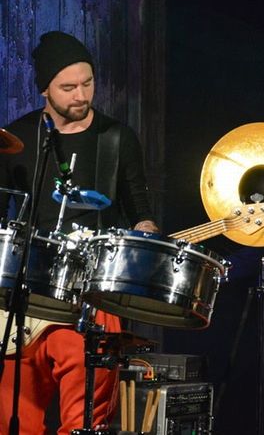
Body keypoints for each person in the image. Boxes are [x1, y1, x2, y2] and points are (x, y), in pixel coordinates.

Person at [0, 31, 159, 434]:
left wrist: (145, 236)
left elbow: (141, 213)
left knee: (83, 421)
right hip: (26, 295)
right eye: (68, 88)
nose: (81, 95)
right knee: (13, 418)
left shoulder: (116, 138)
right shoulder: (17, 139)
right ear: (44, 90)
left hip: (91, 295)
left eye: (88, 84)